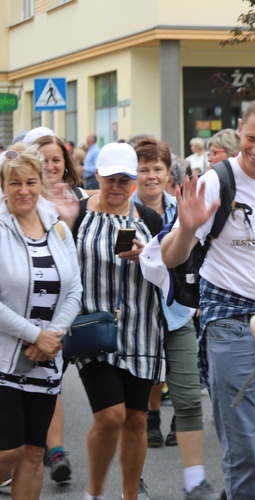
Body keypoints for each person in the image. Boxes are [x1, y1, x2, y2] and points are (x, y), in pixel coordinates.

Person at [161, 97, 255, 500]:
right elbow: (171, 258)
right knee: (242, 443)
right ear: (240, 129)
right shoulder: (216, 180)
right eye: (251, 138)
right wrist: (186, 227)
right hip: (229, 321)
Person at [63, 142, 166, 500]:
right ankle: (93, 492)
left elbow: (169, 272)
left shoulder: (150, 220)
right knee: (110, 416)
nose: (118, 186)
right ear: (97, 176)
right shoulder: (75, 215)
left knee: (137, 422)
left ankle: (129, 496)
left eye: (125, 179)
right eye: (110, 179)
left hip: (141, 332)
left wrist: (147, 259)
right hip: (93, 329)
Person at [131, 137, 222, 499]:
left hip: (176, 313)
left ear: (169, 173)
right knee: (133, 411)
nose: (151, 176)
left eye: (157, 169)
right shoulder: (122, 208)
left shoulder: (181, 206)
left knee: (187, 397)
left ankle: (194, 481)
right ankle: (131, 479)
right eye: (143, 169)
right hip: (134, 316)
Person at [0, 148, 82, 500]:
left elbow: (75, 289)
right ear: (3, 186)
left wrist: (52, 337)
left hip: (46, 362)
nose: (23, 190)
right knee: (8, 452)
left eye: (30, 181)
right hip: (4, 359)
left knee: (34, 455)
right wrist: (35, 335)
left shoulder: (59, 229)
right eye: (14, 182)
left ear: (41, 184)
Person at [33, 133, 87, 485]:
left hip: (64, 307)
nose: (51, 166)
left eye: (56, 160)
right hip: (24, 308)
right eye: (44, 160)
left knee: (50, 379)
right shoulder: (16, 199)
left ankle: (53, 450)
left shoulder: (80, 200)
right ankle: (28, 449)